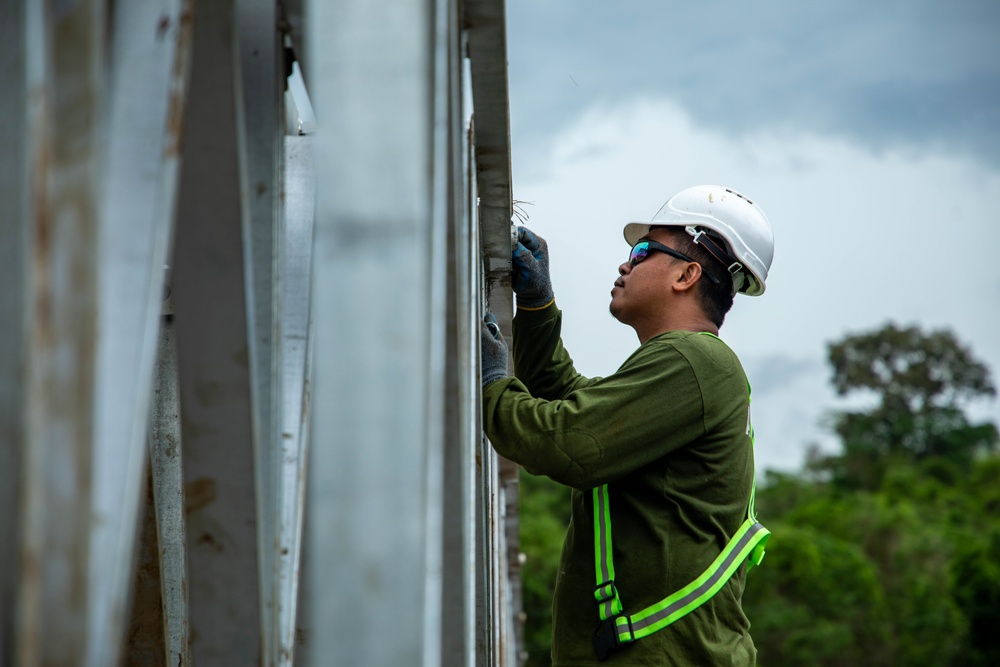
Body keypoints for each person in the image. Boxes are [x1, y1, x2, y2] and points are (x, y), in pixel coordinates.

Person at [480, 184, 775, 665]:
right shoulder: (685, 366)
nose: (625, 264)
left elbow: (570, 442)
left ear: (686, 274)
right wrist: (536, 308)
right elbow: (574, 403)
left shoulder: (693, 361)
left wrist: (491, 381)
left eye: (641, 252)